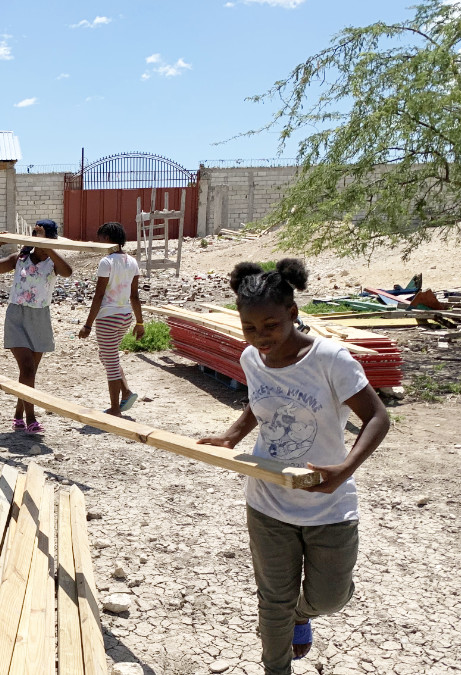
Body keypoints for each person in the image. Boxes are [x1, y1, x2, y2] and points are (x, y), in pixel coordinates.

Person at [197, 259, 390, 675]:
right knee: (273, 600)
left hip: (328, 502)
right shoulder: (252, 358)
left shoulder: (330, 359)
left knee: (330, 598)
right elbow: (261, 400)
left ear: (292, 313)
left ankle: (303, 614)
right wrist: (232, 434)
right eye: (250, 328)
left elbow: (377, 417)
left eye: (270, 325)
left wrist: (344, 469)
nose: (260, 337)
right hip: (267, 499)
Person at [0, 219, 72, 434]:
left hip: (40, 318)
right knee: (27, 368)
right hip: (17, 317)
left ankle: (17, 415)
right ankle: (31, 419)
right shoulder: (20, 259)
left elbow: (68, 272)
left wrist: (47, 246)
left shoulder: (53, 263)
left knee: (28, 374)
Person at [78, 222, 144, 415]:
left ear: (106, 239)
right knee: (108, 356)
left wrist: (87, 325)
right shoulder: (132, 261)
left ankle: (115, 408)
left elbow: (99, 295)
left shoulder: (106, 262)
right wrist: (139, 322)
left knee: (111, 362)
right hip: (125, 316)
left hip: (108, 317)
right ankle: (126, 392)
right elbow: (134, 295)